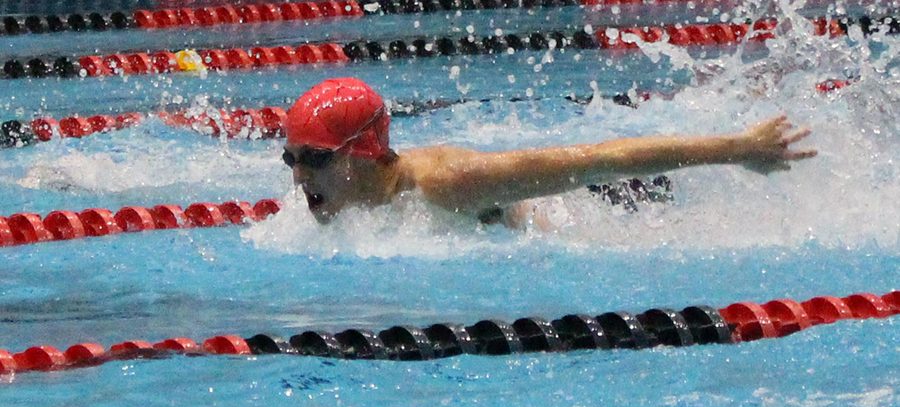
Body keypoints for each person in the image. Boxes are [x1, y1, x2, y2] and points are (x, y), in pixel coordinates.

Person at [283, 77, 816, 227]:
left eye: (317, 158)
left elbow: (598, 159)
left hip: (603, 208)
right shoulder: (341, 207)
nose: (300, 175)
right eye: (293, 158)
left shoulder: (447, 183)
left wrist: (737, 147)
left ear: (363, 152)